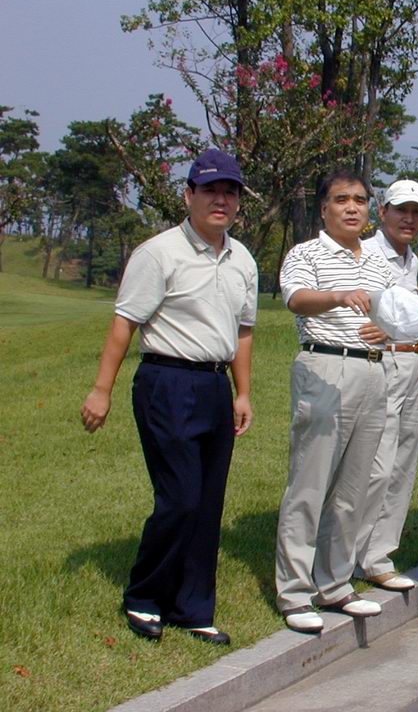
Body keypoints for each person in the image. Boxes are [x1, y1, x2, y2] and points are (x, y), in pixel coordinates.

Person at [80, 149, 257, 645]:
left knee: (208, 502)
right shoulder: (158, 253)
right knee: (179, 497)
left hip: (214, 386)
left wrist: (242, 392)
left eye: (229, 192)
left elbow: (243, 331)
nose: (220, 200)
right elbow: (125, 323)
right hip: (167, 381)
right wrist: (101, 390)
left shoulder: (242, 259)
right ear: (188, 195)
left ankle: (192, 607)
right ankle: (144, 595)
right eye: (210, 190)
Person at [275, 169, 395, 634]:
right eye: (342, 199)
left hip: (373, 370)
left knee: (353, 489)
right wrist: (337, 296)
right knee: (310, 484)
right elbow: (296, 299)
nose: (351, 207)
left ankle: (335, 583)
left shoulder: (379, 262)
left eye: (360, 200)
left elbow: (395, 313)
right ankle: (294, 592)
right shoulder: (306, 253)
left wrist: (390, 329)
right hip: (325, 366)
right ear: (324, 207)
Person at [353, 179, 418, 593]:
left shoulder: (411, 261)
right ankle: (347, 553)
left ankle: (378, 557)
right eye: (401, 210)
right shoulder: (363, 253)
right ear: (382, 212)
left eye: (417, 212)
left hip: (413, 362)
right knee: (375, 466)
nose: (409, 219)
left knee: (402, 465)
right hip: (380, 362)